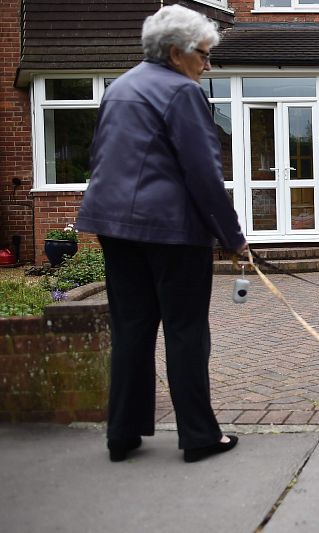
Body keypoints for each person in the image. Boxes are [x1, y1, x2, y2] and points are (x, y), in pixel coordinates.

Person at [76, 5, 248, 463]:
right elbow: (204, 175)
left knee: (131, 328)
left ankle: (122, 433)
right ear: (177, 53)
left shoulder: (121, 88)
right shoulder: (182, 92)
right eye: (204, 55)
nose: (207, 65)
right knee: (186, 330)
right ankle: (199, 436)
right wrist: (232, 237)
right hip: (172, 232)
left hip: (114, 228)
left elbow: (101, 158)